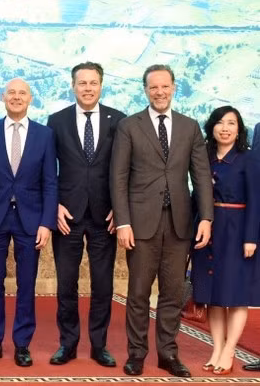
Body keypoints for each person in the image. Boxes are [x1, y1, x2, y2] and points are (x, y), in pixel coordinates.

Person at [110, 64, 213, 378]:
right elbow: (118, 178)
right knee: (139, 293)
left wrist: (206, 217)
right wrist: (123, 222)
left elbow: (202, 177)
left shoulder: (190, 127)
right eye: (153, 87)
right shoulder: (130, 126)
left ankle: (168, 354)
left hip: (180, 224)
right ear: (145, 90)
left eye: (165, 86)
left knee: (172, 293)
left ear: (173, 88)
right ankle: (137, 354)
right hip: (140, 225)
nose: (159, 92)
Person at [0, 78, 57, 368]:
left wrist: (46, 223)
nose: (17, 97)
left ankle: (22, 344)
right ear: (3, 97)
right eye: (11, 93)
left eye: (22, 93)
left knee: (26, 284)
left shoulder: (45, 135)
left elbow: (50, 182)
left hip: (31, 220)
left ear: (31, 99)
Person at [46, 62, 125, 367]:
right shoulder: (57, 121)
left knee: (102, 284)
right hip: (67, 216)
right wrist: (53, 205)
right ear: (73, 85)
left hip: (105, 216)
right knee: (67, 284)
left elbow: (124, 170)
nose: (88, 88)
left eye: (93, 83)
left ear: (101, 85)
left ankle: (99, 345)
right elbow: (45, 170)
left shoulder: (118, 120)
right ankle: (67, 344)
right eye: (82, 83)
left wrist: (121, 210)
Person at [191, 106, 259, 375]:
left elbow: (256, 200)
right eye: (219, 123)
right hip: (207, 229)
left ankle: (230, 350)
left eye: (231, 123)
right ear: (212, 128)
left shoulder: (249, 158)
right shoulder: (204, 156)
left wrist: (251, 238)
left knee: (236, 295)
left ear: (239, 128)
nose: (225, 128)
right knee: (213, 296)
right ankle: (216, 348)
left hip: (238, 231)